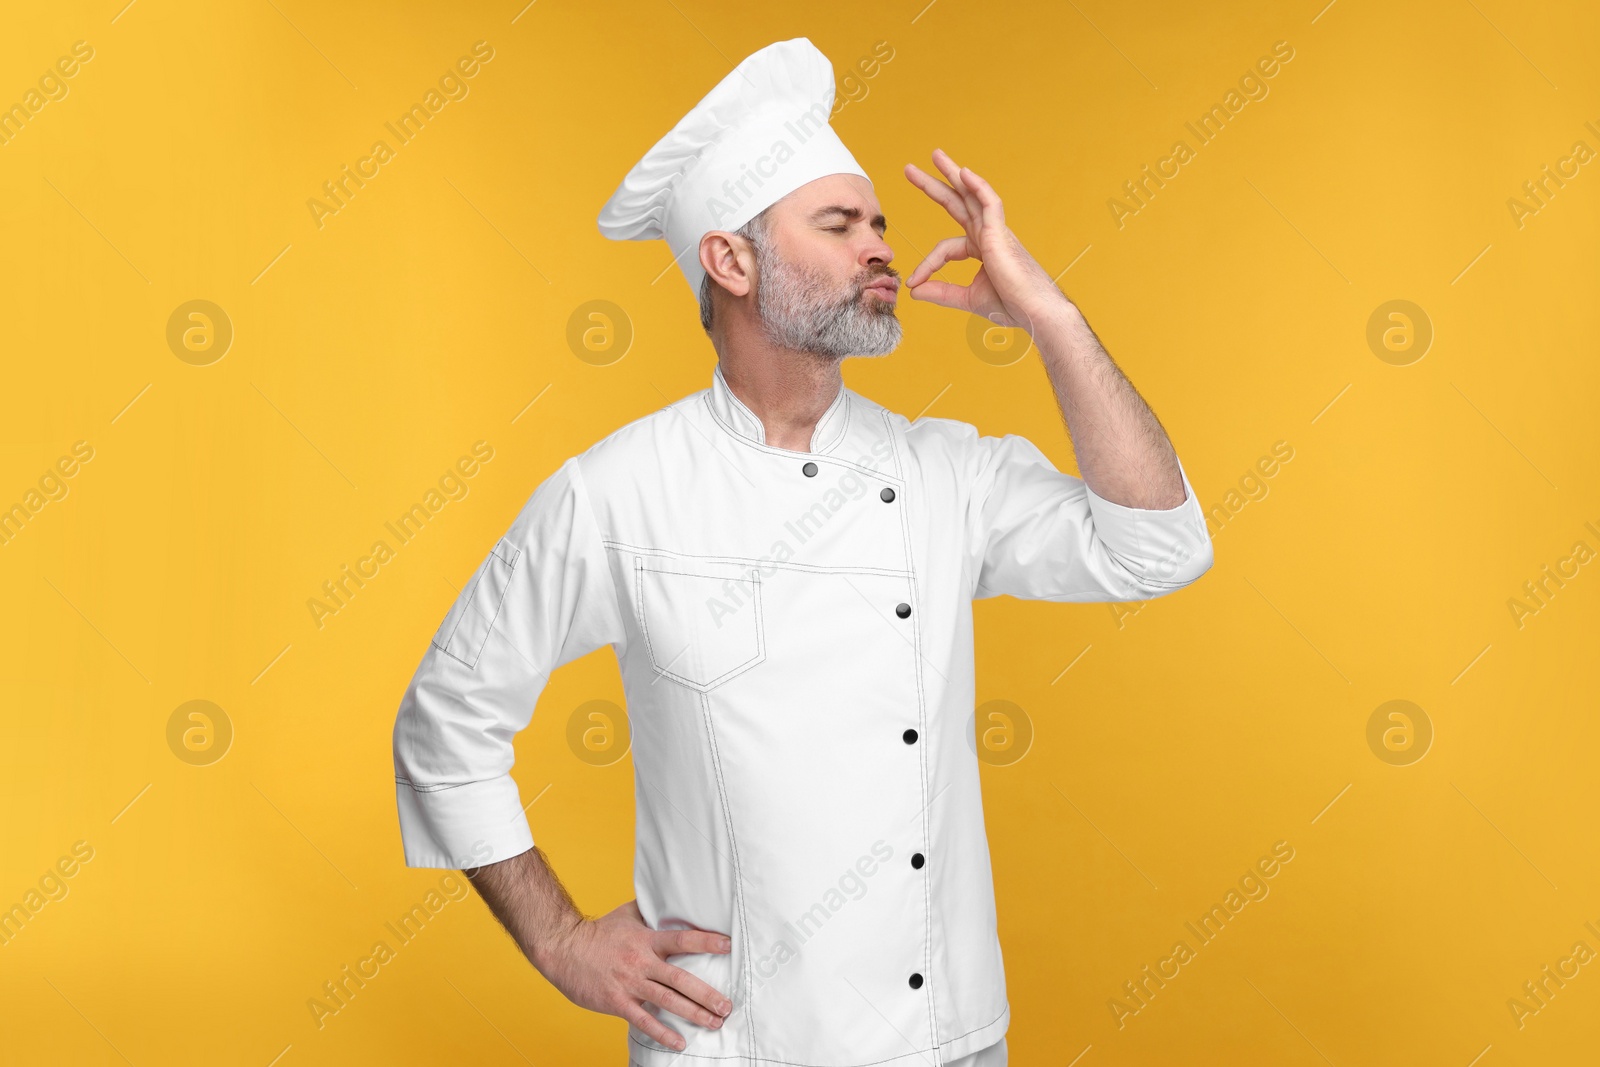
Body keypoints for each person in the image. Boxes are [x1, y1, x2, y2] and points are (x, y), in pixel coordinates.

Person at [391, 36, 1213, 1067]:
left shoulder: (943, 472)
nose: (880, 245)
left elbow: (1158, 548)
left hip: (949, 1040)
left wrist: (1049, 315)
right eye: (838, 223)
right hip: (734, 1049)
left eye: (878, 221)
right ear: (731, 261)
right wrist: (558, 938)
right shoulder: (617, 490)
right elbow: (444, 721)